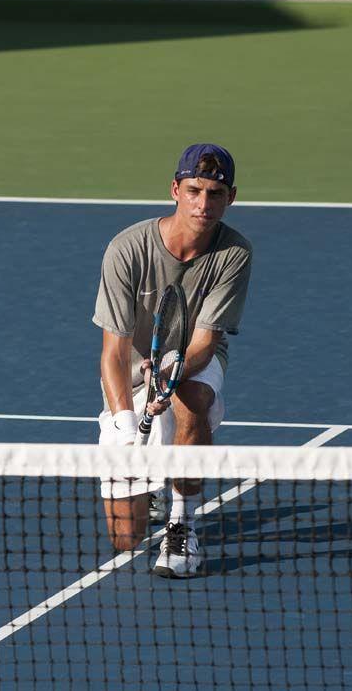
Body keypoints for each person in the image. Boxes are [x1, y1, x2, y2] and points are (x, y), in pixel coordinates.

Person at [92, 143, 252, 577]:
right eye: (195, 190)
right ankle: (153, 486)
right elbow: (113, 352)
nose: (204, 203)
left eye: (215, 193)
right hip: (132, 372)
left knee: (191, 396)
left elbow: (204, 343)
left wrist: (166, 375)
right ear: (175, 190)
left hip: (191, 362)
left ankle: (182, 522)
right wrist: (128, 427)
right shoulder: (128, 249)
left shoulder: (233, 253)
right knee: (125, 538)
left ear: (230, 198)